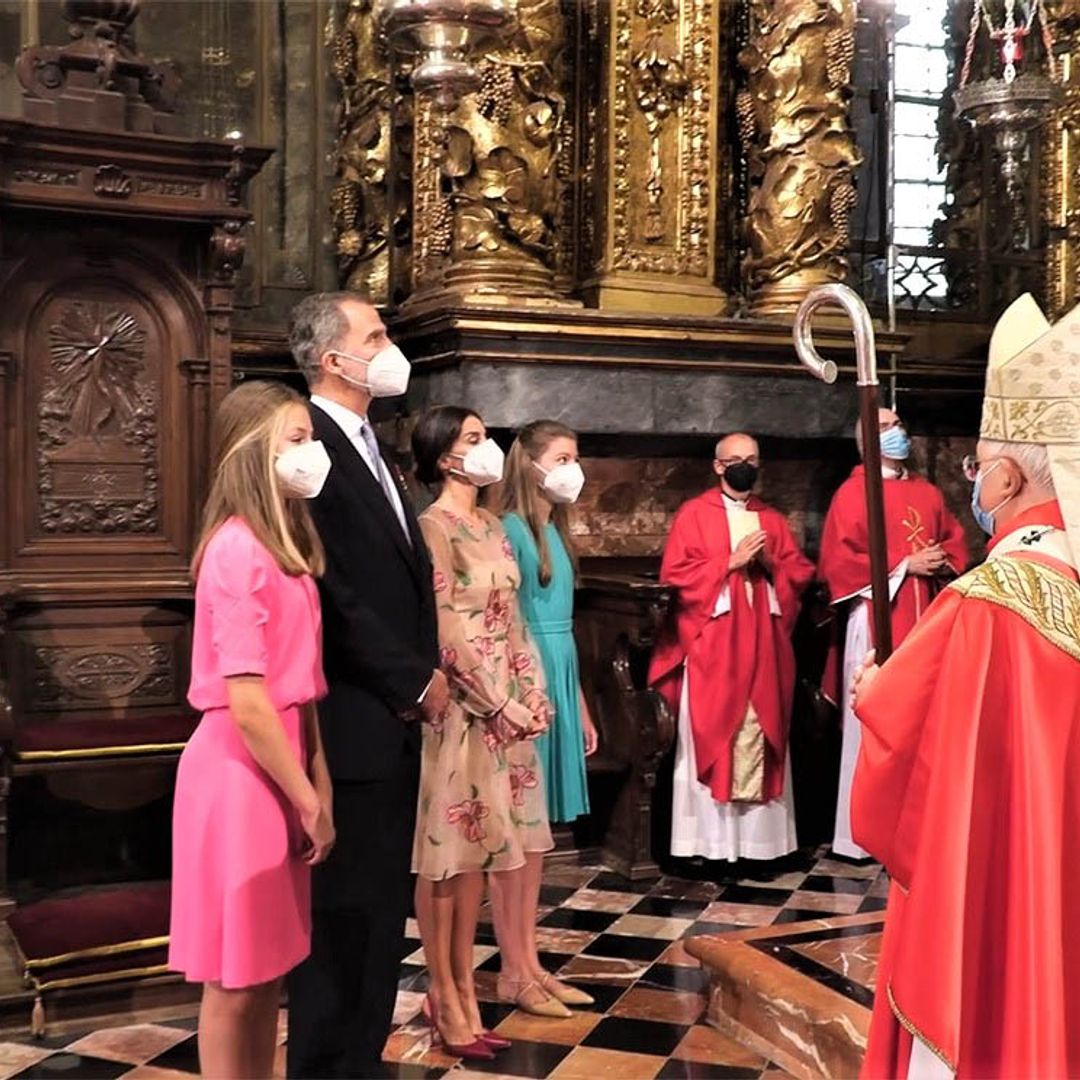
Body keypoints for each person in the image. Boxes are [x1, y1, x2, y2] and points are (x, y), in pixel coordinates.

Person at [850, 292, 1080, 1078]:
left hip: (994, 897)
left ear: (1008, 476)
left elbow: (904, 742)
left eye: (977, 466)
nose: (972, 480)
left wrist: (874, 692)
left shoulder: (987, 599)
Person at [285, 293, 446, 1079]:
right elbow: (332, 588)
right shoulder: (308, 446)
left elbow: (404, 579)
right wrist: (414, 680)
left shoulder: (372, 443)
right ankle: (326, 1066)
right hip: (351, 717)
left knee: (382, 913)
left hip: (393, 720)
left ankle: (362, 1060)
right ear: (332, 359)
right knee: (343, 916)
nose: (389, 349)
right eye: (375, 336)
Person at [169, 380, 335, 1080]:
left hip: (284, 755)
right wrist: (306, 797)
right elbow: (248, 700)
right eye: (295, 440)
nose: (311, 453)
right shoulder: (236, 550)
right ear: (252, 452)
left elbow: (300, 683)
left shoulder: (284, 544)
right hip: (242, 772)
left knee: (269, 968)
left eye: (310, 438)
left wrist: (316, 775)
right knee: (234, 977)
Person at [412, 405, 568, 1047]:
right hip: (467, 710)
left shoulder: (490, 523)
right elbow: (446, 627)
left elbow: (514, 613)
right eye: (474, 440)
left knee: (494, 851)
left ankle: (483, 982)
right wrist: (497, 701)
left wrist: (534, 689)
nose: (488, 450)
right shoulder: (434, 526)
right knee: (449, 857)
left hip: (511, 702)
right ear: (445, 456)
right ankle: (446, 994)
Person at [649, 433, 815, 863]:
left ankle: (762, 849)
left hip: (763, 644)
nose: (746, 466)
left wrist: (770, 564)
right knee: (715, 731)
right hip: (714, 647)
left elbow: (798, 572)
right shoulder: (694, 514)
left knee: (761, 726)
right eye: (736, 460)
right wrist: (729, 562)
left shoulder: (772, 519)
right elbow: (675, 576)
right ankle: (709, 848)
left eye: (753, 459)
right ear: (718, 466)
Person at [818, 408, 967, 859]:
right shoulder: (851, 494)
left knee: (929, 724)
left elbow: (955, 540)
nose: (897, 432)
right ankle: (862, 836)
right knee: (876, 716)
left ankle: (922, 830)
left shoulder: (928, 492)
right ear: (866, 438)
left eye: (898, 424)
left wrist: (941, 559)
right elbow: (838, 563)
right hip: (879, 613)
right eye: (885, 426)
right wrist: (904, 566)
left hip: (929, 614)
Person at [495, 419, 596, 1009]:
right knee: (520, 836)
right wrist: (530, 694)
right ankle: (514, 967)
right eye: (561, 458)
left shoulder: (557, 528)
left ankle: (530, 962)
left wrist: (577, 702)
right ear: (530, 464)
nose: (571, 470)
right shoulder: (509, 528)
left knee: (540, 841)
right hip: (525, 679)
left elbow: (566, 628)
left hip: (557, 670)